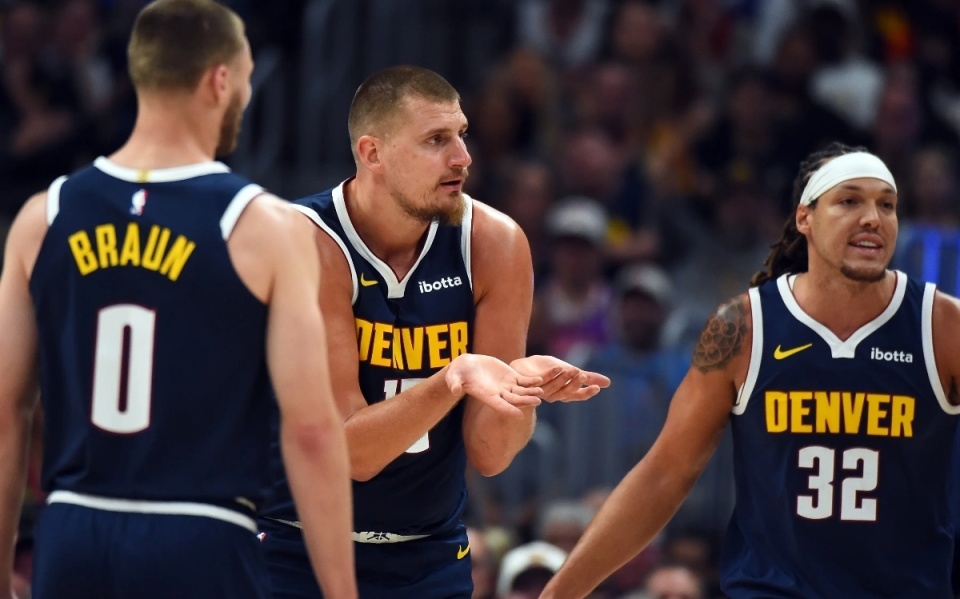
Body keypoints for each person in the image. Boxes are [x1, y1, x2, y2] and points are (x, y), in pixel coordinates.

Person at [0, 1, 358, 597]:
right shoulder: (264, 225)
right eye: (245, 78)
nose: (246, 94)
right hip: (200, 534)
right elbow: (311, 431)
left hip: (72, 531)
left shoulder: (44, 217)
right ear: (219, 80)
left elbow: (6, 412)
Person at [540, 142, 960, 599]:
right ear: (805, 218)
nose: (873, 218)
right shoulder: (743, 327)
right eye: (849, 201)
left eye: (887, 205)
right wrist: (560, 593)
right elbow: (664, 475)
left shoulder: (942, 327)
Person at [257, 64, 610, 598]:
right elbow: (351, 453)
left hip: (428, 554)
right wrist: (454, 377)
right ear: (373, 154)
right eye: (436, 140)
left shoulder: (495, 244)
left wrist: (522, 391)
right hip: (295, 544)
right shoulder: (307, 241)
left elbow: (490, 455)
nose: (463, 157)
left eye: (462, 135)